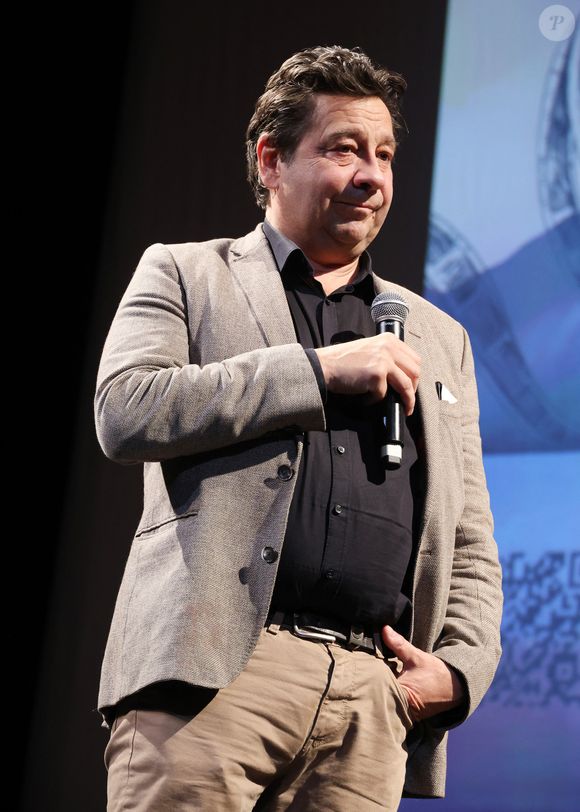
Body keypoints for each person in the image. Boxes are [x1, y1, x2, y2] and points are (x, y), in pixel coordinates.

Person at [95, 45, 503, 811]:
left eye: (383, 154)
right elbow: (126, 409)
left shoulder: (438, 335)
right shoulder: (187, 274)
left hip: (370, 700)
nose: (372, 175)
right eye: (344, 148)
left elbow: (472, 534)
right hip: (214, 681)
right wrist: (316, 373)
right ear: (272, 160)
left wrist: (460, 670)